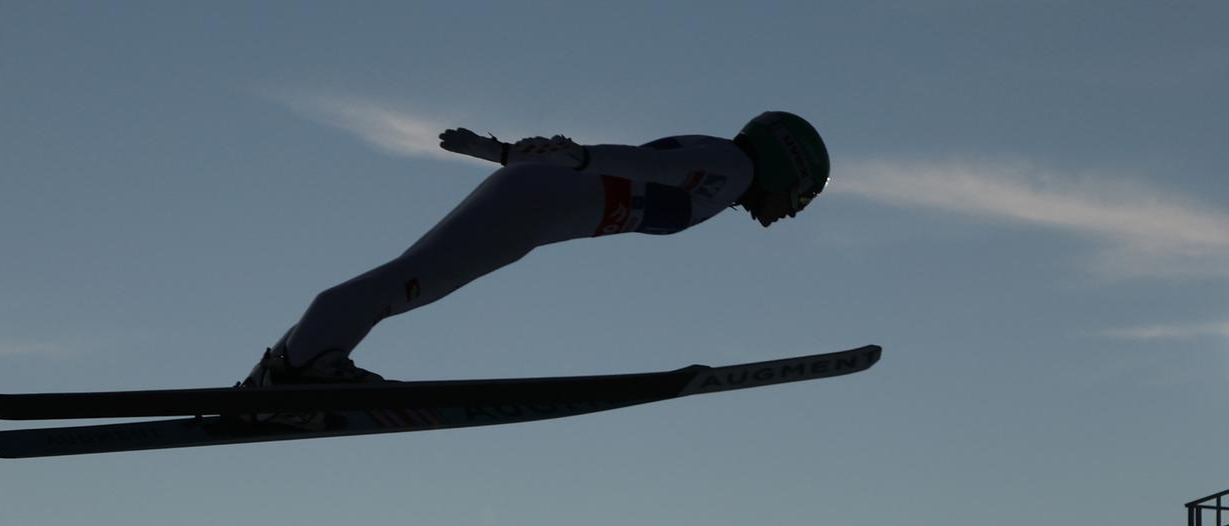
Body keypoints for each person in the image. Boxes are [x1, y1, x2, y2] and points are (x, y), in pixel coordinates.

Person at [242, 111, 829, 387]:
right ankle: (302, 368)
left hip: (536, 201)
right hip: (538, 202)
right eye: (798, 197)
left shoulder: (722, 175)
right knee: (410, 282)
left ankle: (283, 370)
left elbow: (649, 168)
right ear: (788, 167)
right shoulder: (728, 167)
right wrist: (578, 158)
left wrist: (499, 154)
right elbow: (651, 164)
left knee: (411, 279)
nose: (787, 212)